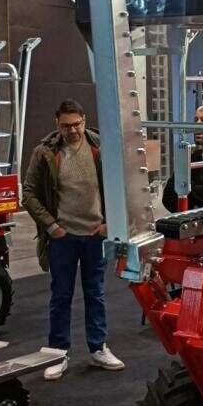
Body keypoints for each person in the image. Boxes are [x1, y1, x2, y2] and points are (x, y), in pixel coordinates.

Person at [22, 99, 124, 380]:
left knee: (96, 294)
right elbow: (29, 193)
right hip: (63, 238)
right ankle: (58, 353)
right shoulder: (45, 153)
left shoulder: (101, 148)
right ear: (58, 124)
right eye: (66, 126)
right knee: (61, 296)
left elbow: (121, 184)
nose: (72, 130)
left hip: (95, 236)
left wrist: (109, 223)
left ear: (84, 119)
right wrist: (51, 226)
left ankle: (98, 348)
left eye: (76, 124)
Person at [162, 105, 203, 212]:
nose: (197, 125)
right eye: (196, 120)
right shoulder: (191, 157)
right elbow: (168, 197)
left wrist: (185, 189)